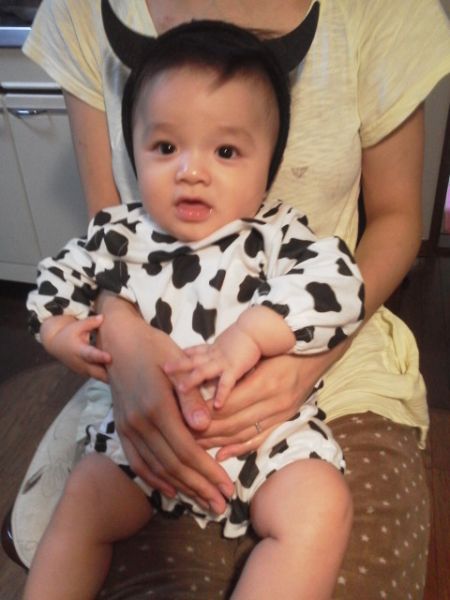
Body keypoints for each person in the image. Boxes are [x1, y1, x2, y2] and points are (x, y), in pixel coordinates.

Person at [18, 0, 450, 598]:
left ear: (267, 166)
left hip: (265, 433)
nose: (191, 172)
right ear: (134, 148)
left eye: (225, 152)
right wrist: (63, 334)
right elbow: (57, 282)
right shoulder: (119, 233)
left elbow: (338, 286)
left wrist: (252, 334)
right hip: (147, 432)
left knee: (320, 507)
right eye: (165, 147)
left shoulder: (277, 235)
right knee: (83, 502)